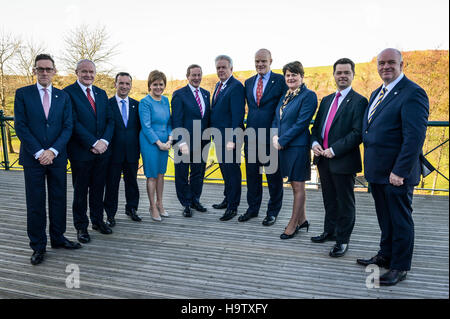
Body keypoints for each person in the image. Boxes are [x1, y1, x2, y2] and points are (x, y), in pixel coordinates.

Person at [356, 48, 429, 286]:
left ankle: (399, 266)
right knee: (384, 217)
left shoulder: (413, 93)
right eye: (381, 63)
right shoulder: (378, 92)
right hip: (377, 172)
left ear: (401, 64)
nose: (385, 67)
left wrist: (399, 171)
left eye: (391, 63)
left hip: (397, 174)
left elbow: (414, 138)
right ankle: (385, 255)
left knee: (400, 219)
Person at [14, 54, 81, 265]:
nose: (44, 72)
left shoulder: (63, 97)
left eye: (48, 69)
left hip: (57, 157)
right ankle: (38, 246)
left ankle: (58, 238)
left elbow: (68, 126)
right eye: (40, 69)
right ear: (34, 71)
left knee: (58, 199)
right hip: (33, 159)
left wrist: (52, 151)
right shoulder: (23, 94)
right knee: (35, 204)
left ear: (54, 71)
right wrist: (38, 153)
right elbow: (21, 126)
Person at [310, 58, 368, 257]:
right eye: (339, 72)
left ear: (353, 75)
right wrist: (315, 143)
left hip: (342, 160)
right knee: (329, 199)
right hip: (322, 159)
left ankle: (342, 241)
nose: (342, 76)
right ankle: (330, 231)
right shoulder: (326, 100)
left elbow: (356, 133)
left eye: (346, 72)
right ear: (334, 75)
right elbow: (316, 128)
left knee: (345, 202)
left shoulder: (360, 101)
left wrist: (333, 150)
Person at [64, 59, 114, 243]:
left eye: (91, 72)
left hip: (102, 152)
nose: (88, 75)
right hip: (81, 152)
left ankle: (97, 221)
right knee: (80, 191)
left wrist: (104, 141)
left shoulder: (101, 93)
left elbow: (110, 120)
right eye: (84, 71)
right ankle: (81, 227)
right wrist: (93, 142)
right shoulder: (67, 94)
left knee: (98, 188)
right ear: (76, 72)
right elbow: (72, 122)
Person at [239, 49, 287, 226]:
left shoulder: (280, 80)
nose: (260, 64)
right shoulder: (249, 82)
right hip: (251, 136)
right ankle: (253, 209)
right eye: (257, 61)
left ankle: (272, 212)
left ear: (271, 61)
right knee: (252, 176)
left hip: (271, 137)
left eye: (263, 61)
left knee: (273, 177)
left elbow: (283, 108)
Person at [272, 61, 317, 239]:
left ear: (301, 76)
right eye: (288, 75)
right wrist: (275, 136)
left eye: (294, 75)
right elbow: (277, 118)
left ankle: (292, 224)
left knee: (299, 185)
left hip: (297, 146)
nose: (291, 78)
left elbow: (302, 123)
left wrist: (282, 139)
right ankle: (303, 219)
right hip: (283, 146)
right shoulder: (285, 96)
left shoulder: (309, 96)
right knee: (293, 184)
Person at [171, 64, 210, 217]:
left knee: (198, 173)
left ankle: (195, 199)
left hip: (202, 142)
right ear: (187, 76)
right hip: (184, 143)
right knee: (181, 174)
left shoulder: (206, 94)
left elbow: (206, 118)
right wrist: (181, 142)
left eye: (199, 75)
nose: (196, 78)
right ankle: (186, 203)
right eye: (193, 75)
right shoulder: (179, 94)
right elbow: (177, 120)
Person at [210, 55, 246, 221]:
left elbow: (238, 116)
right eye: (218, 67)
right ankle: (227, 198)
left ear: (231, 68)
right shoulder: (219, 85)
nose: (221, 70)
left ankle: (233, 206)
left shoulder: (236, 86)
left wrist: (232, 139)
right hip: (219, 137)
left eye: (224, 67)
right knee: (224, 170)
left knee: (232, 172)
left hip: (230, 138)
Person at [103, 72, 142, 226]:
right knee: (112, 184)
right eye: (121, 83)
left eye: (127, 84)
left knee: (132, 182)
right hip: (113, 152)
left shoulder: (137, 105)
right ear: (115, 84)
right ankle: (110, 214)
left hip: (132, 151)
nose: (124, 86)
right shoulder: (107, 104)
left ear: (131, 85)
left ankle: (132, 209)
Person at [139, 70, 172, 222]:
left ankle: (160, 203)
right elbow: (146, 127)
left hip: (165, 142)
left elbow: (169, 122)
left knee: (161, 174)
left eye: (161, 84)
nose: (158, 87)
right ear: (150, 86)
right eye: (155, 84)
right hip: (150, 143)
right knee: (152, 175)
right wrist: (159, 144)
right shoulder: (145, 102)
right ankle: (152, 206)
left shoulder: (166, 100)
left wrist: (170, 140)